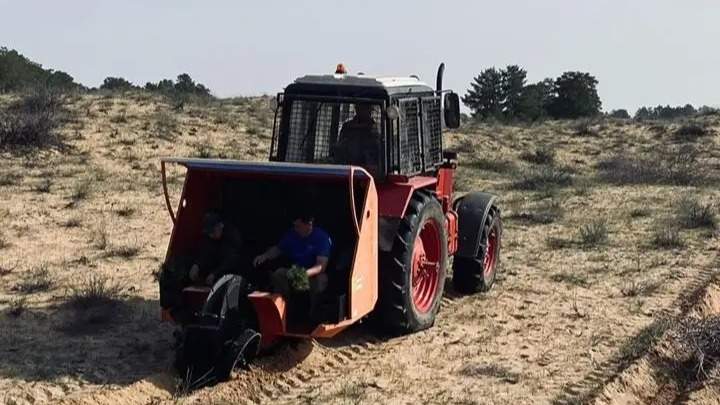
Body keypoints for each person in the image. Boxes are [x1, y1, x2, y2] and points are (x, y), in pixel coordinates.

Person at [252, 211, 332, 297]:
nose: (295, 229)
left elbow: (321, 266)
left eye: (298, 226)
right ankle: (284, 305)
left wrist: (303, 274)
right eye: (294, 226)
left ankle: (314, 309)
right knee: (279, 273)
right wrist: (265, 256)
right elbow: (278, 249)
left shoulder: (321, 238)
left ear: (309, 224)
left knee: (321, 281)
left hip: (312, 274)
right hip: (294, 271)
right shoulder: (292, 234)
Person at [189, 213, 244, 286]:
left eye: (212, 231)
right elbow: (205, 252)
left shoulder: (232, 236)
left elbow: (231, 261)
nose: (211, 235)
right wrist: (197, 265)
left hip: (233, 276)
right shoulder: (210, 238)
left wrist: (215, 274)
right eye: (209, 233)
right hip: (214, 275)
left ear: (221, 225)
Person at [333, 103, 380, 169]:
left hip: (369, 168)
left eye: (365, 108)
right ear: (356, 109)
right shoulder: (347, 126)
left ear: (370, 110)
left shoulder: (375, 128)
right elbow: (341, 146)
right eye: (361, 108)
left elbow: (378, 149)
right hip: (348, 167)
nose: (363, 111)